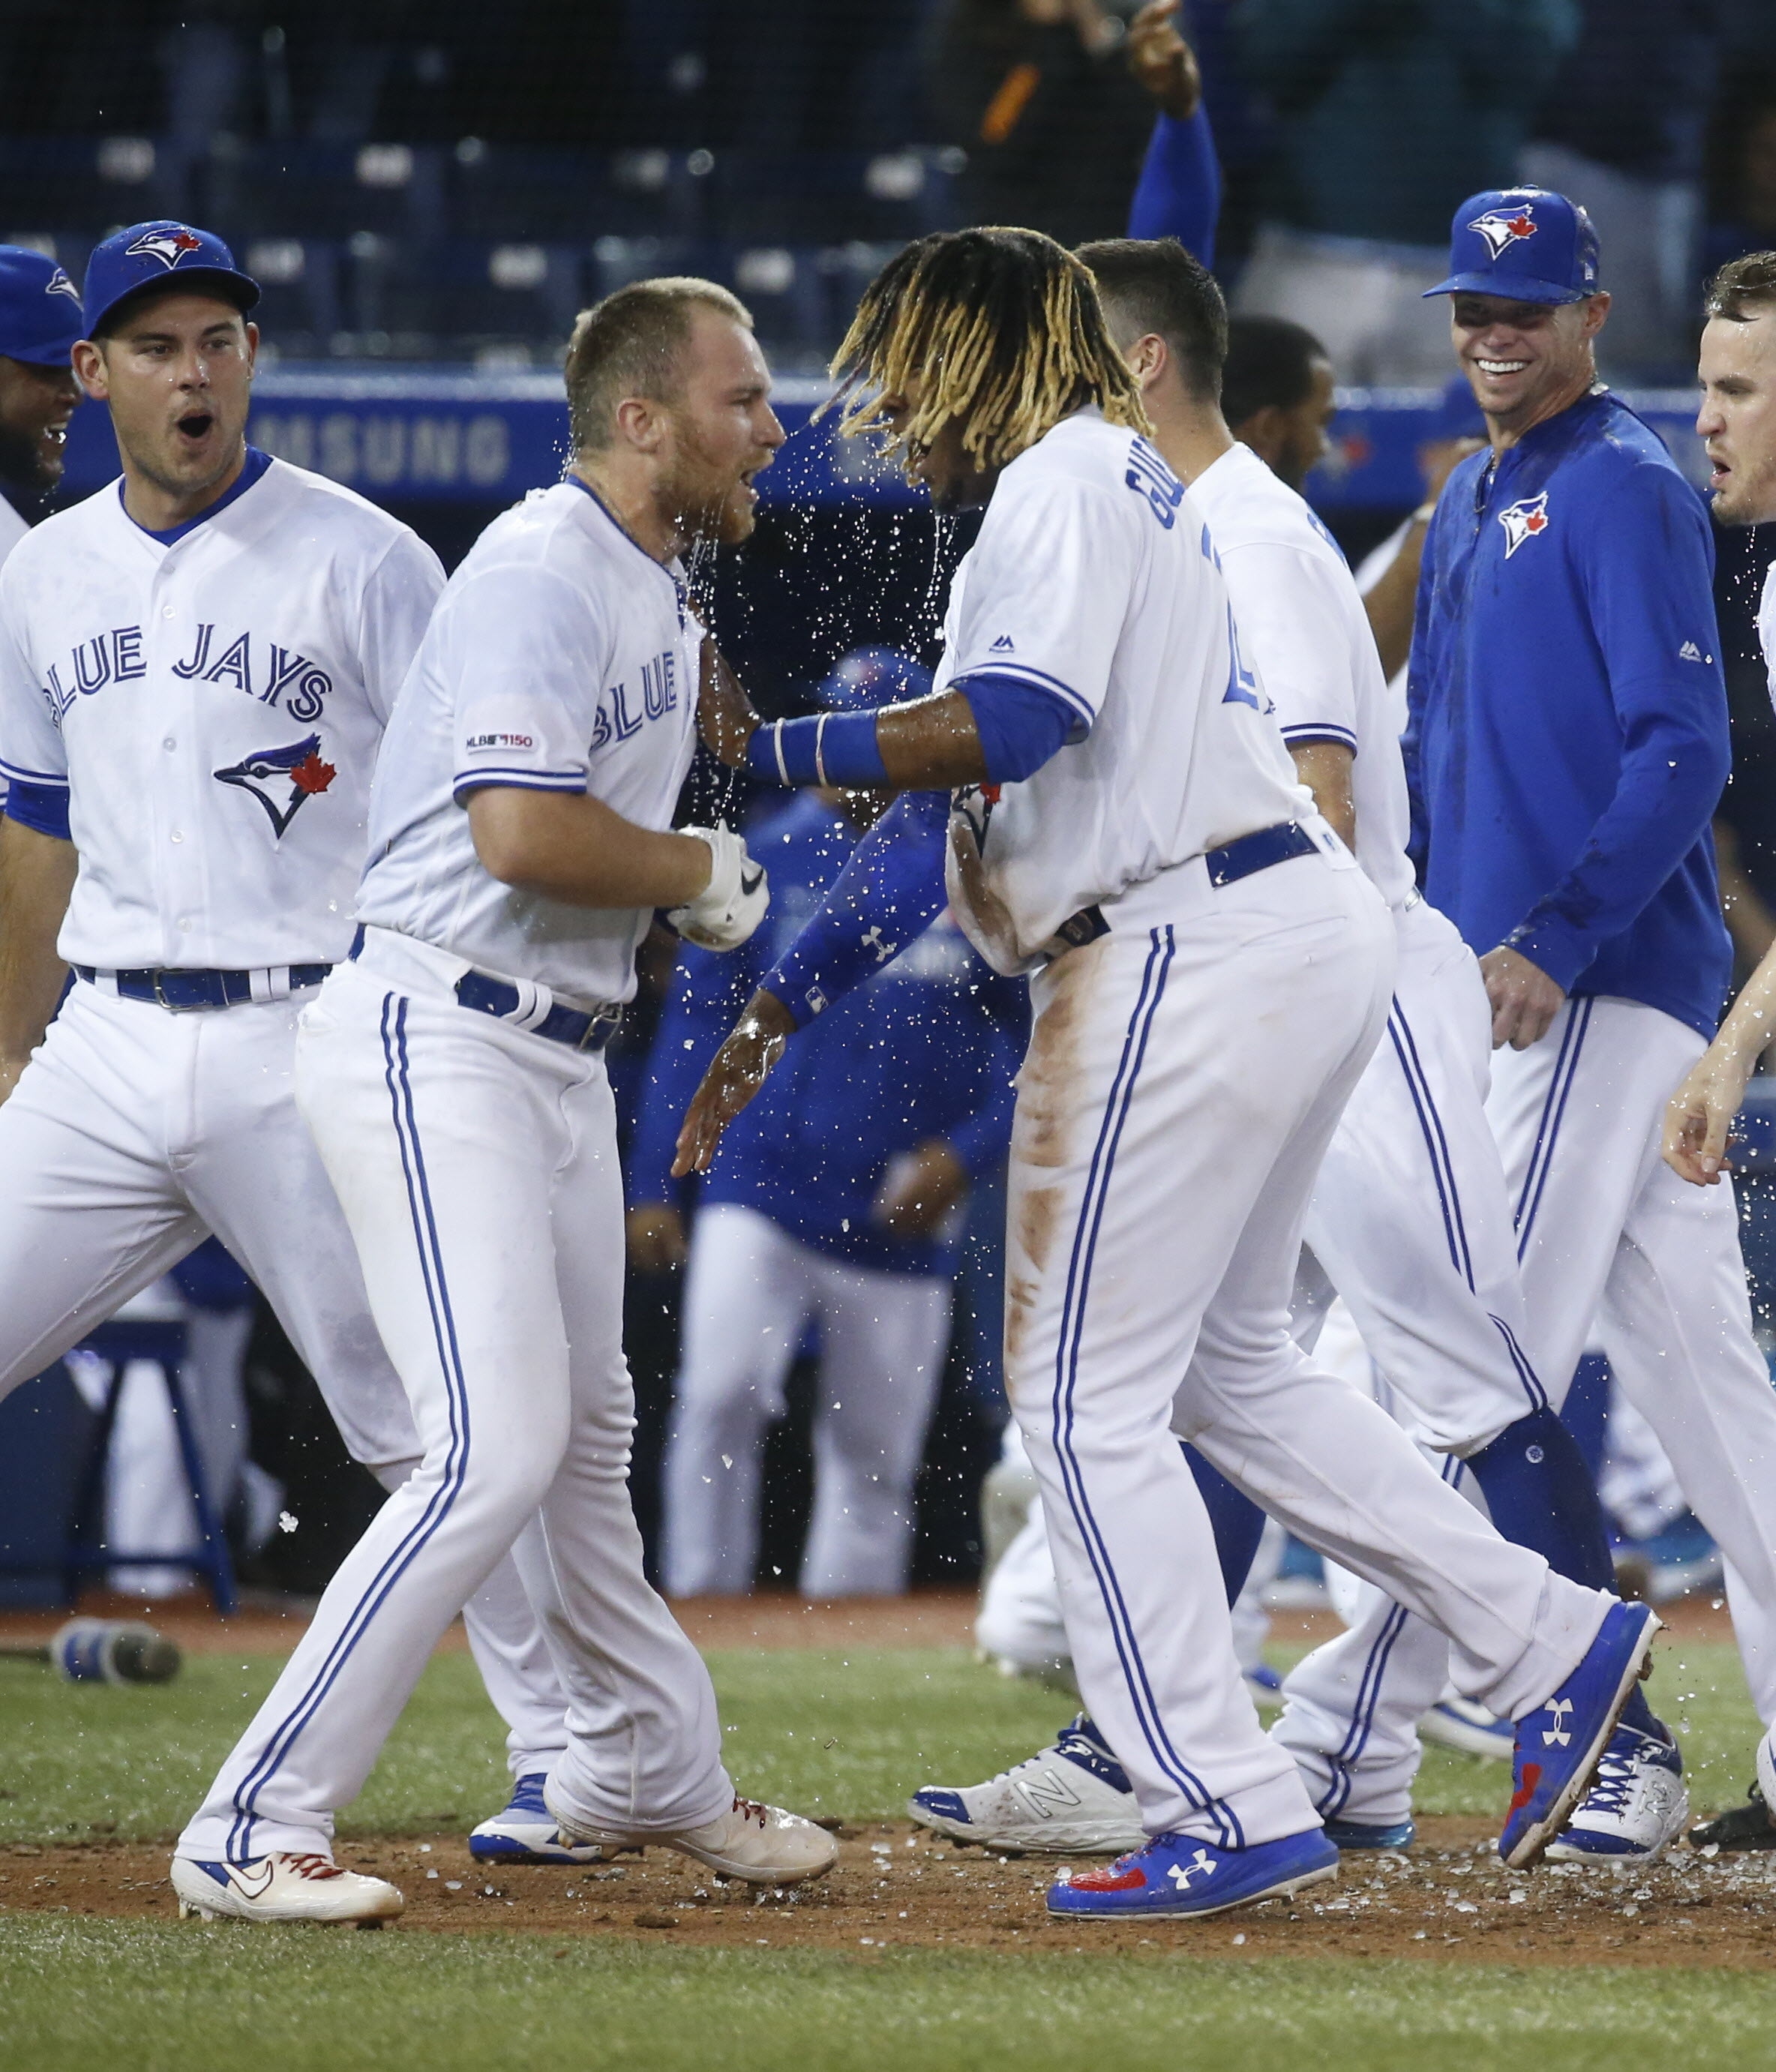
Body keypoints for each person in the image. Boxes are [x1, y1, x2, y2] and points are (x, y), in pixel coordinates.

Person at [673, 226, 1652, 1921]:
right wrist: (781, 1000)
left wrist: (775, 742)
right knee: (1233, 1375)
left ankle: (1219, 1787)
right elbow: (971, 798)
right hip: (1253, 924)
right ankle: (1552, 1636)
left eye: (914, 358)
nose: (891, 399)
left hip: (1180, 942)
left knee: (1076, 1400)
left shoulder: (1062, 477)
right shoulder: (1101, 484)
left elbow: (1010, 722)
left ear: (985, 353)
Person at [172, 275, 837, 1927]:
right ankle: (250, 1818)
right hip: (434, 1027)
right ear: (640, 419)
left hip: (550, 1049)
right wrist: (703, 869)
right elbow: (523, 834)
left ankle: (639, 1772)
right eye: (740, 398)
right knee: (489, 1446)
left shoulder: (656, 584)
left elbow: (630, 781)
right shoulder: (545, 562)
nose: (772, 425)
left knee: (586, 1444)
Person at [0, 219, 576, 1890]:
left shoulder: (368, 555)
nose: (194, 372)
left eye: (220, 339)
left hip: (302, 1033)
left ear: (252, 357)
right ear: (92, 370)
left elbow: (471, 809)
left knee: (429, 1422)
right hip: (105, 1045)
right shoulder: (43, 570)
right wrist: (7, 1048)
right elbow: (33, 828)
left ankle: (562, 1754)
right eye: (156, 344)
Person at [1406, 191, 1776, 1857]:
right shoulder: (1484, 490)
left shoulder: (1622, 492)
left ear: (1582, 314)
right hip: (1580, 998)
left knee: (1461, 1356)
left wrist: (1567, 945)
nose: (1494, 328)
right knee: (1720, 1411)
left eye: (1527, 306)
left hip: (1596, 995)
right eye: (1474, 304)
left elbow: (1676, 753)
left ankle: (1542, 1730)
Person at [632, 646, 1024, 1601]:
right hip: (760, 1184)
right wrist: (652, 1182)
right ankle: (700, 1609)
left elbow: (1041, 1050)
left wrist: (965, 1159)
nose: (843, 755)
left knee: (876, 1454)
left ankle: (847, 1644)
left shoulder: (974, 866)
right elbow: (693, 1024)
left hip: (902, 1207)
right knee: (718, 1401)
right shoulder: (768, 853)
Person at [1661, 249, 1776, 1852]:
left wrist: (1731, 1048)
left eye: (1741, 388)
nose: (1706, 417)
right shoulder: (1736, 567)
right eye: (1703, 383)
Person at [1229, 0, 1580, 383]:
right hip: (1310, 258)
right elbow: (1263, 57)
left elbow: (1531, 60)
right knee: (1276, 434)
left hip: (1462, 271)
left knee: (1459, 442)